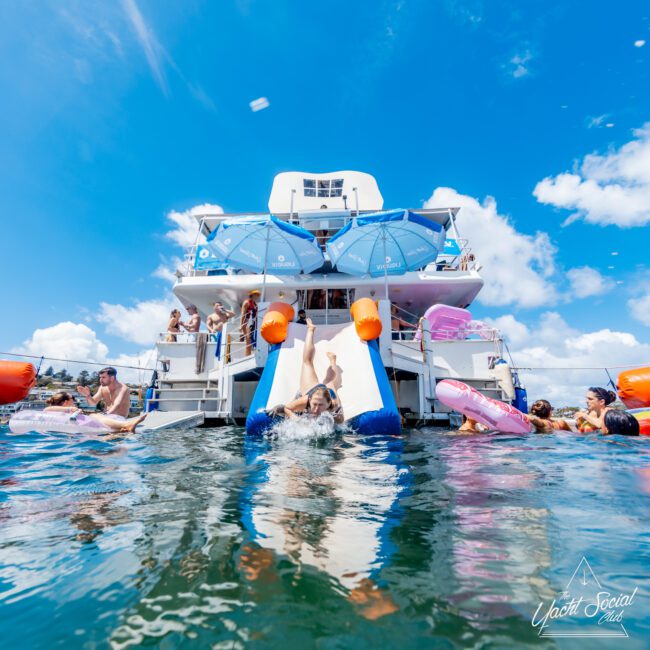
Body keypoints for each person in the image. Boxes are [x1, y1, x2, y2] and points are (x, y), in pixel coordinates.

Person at [268, 318, 344, 423]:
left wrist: (337, 418)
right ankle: (310, 330)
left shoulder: (334, 405)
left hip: (327, 394)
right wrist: (297, 421)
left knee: (330, 380)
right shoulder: (305, 400)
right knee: (307, 362)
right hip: (311, 389)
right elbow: (287, 408)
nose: (316, 409)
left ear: (328, 404)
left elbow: (340, 423)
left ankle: (332, 361)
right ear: (309, 401)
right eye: (314, 404)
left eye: (321, 405)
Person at [45, 392, 146, 433]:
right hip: (76, 435)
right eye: (73, 398)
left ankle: (124, 427)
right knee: (94, 415)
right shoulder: (55, 412)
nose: (74, 401)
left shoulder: (63, 414)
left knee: (95, 415)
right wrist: (70, 409)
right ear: (66, 402)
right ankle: (126, 425)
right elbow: (46, 410)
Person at [240, 290, 260, 356]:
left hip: (253, 323)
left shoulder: (255, 304)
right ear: (252, 295)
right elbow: (242, 314)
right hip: (247, 323)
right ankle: (247, 357)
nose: (257, 296)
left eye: (257, 295)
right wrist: (241, 326)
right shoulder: (246, 303)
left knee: (252, 341)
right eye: (255, 294)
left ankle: (250, 355)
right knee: (248, 342)